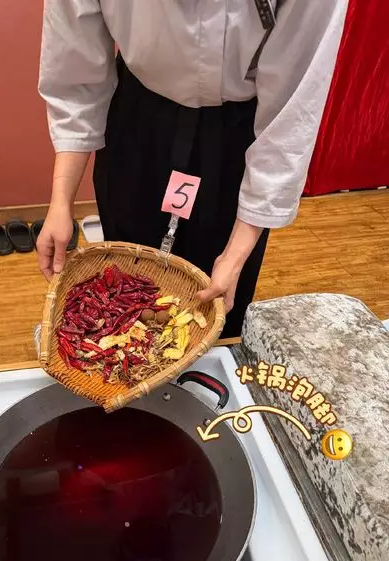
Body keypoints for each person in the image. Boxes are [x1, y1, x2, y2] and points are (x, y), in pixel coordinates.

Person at [37, 0, 348, 337]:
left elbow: (292, 108)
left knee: (218, 301)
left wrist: (236, 253)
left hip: (238, 131)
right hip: (139, 117)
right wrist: (61, 202)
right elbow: (76, 69)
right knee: (125, 290)